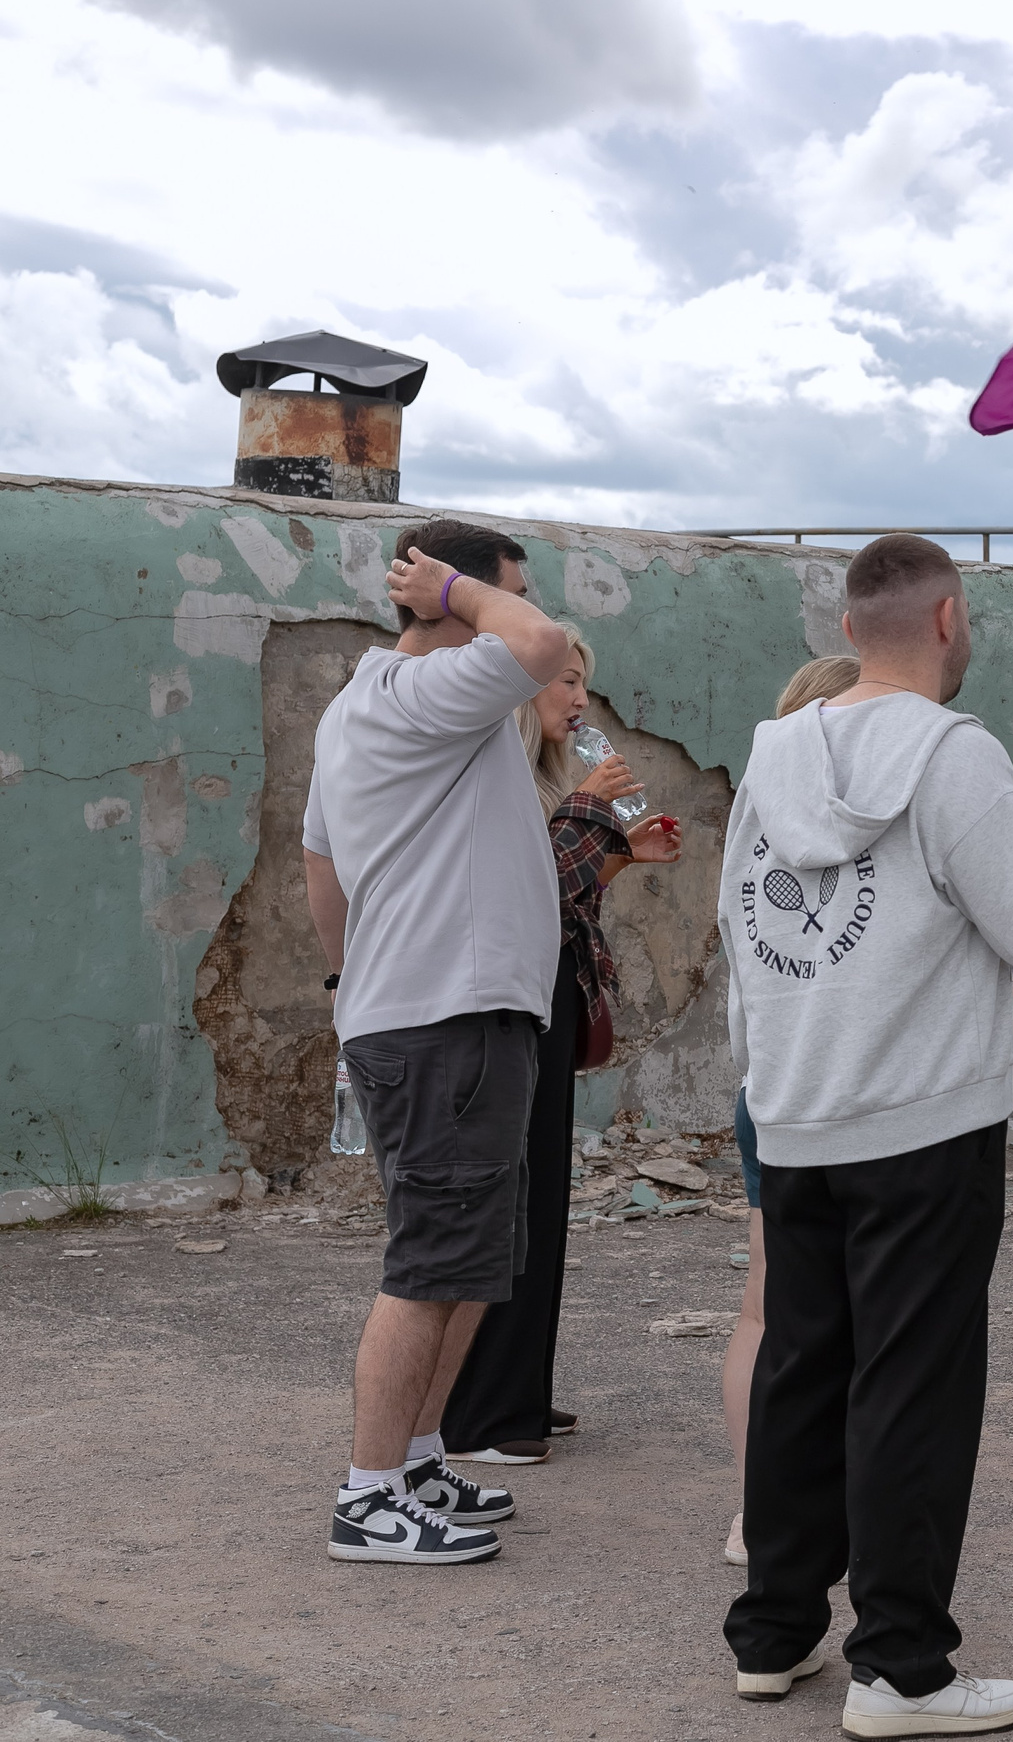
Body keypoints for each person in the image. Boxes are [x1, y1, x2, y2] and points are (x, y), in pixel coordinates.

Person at [720, 536, 1013, 1734]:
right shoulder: (953, 753)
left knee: (801, 1373)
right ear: (949, 618)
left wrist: (767, 1085)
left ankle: (772, 1634)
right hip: (922, 1120)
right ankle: (901, 1669)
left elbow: (750, 937)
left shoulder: (772, 758)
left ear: (851, 623)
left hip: (801, 1106)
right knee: (912, 1387)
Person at [302, 519, 574, 1564]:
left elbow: (321, 869)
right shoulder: (428, 691)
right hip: (443, 1017)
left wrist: (351, 980)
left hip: (432, 1009)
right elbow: (542, 646)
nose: (515, 612)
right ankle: (368, 1496)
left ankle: (413, 1461)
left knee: (467, 1259)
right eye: (499, 595)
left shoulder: (367, 708)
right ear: (443, 604)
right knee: (429, 1266)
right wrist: (459, 587)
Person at [442, 623, 684, 1467]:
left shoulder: (544, 783)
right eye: (565, 682)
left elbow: (559, 908)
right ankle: (479, 1415)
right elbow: (518, 893)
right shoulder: (498, 777)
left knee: (541, 1201)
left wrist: (621, 855)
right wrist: (590, 809)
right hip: (499, 1008)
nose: (580, 701)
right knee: (507, 1202)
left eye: (584, 684)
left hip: (539, 1001)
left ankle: (518, 1397)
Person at [722, 653, 863, 1567]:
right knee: (856, 1319)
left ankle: (755, 1512)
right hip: (851, 1096)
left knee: (766, 1310)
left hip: (765, 1086)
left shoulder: (751, 825)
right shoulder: (869, 826)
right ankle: (818, 1507)